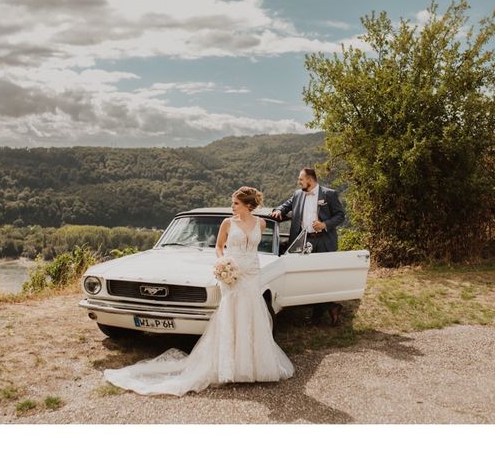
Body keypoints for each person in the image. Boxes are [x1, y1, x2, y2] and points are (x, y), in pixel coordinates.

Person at [103, 186, 294, 395]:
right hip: (232, 273)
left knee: (253, 315)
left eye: (236, 203)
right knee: (231, 315)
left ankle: (254, 366)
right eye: (232, 203)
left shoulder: (262, 223)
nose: (232, 206)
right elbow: (219, 246)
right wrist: (223, 263)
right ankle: (229, 367)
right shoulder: (228, 223)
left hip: (252, 273)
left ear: (248, 205)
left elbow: (256, 247)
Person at [271, 167, 346, 325]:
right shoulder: (298, 194)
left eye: (301, 179)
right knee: (307, 277)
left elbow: (340, 215)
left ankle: (317, 315)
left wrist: (325, 224)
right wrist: (278, 210)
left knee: (323, 277)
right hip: (304, 240)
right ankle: (331, 307)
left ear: (310, 180)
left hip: (324, 240)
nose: (299, 182)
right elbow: (286, 205)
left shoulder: (329, 194)